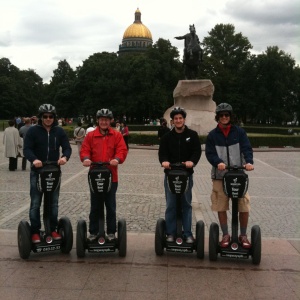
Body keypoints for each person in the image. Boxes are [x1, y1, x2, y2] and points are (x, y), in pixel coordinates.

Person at [205, 103, 254, 249]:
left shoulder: (239, 132)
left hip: (238, 174)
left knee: (244, 204)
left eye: (227, 115)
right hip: (220, 175)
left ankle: (243, 234)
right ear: (218, 117)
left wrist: (249, 162)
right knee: (221, 204)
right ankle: (226, 234)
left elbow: (246, 148)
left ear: (230, 116)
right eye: (221, 115)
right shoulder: (213, 135)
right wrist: (218, 162)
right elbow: (210, 153)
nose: (224, 117)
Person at [23, 104, 72, 243]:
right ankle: (35, 232)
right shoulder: (33, 131)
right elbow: (27, 149)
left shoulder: (59, 131)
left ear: (54, 117)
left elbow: (67, 148)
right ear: (41, 117)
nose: (48, 119)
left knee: (53, 203)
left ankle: (53, 229)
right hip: (38, 172)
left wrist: (64, 157)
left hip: (54, 171)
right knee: (36, 203)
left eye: (51, 116)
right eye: (45, 116)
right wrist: (34, 159)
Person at [80, 108, 128, 241]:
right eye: (102, 119)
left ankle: (111, 232)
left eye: (106, 120)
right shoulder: (91, 136)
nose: (104, 122)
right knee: (95, 205)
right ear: (98, 120)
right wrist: (85, 159)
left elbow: (122, 150)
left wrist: (117, 159)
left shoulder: (116, 135)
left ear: (110, 121)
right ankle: (94, 232)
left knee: (110, 205)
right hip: (95, 175)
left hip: (111, 176)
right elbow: (85, 150)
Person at [158, 107, 201, 243]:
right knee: (171, 204)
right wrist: (164, 161)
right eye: (175, 119)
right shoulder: (167, 137)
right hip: (171, 174)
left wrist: (192, 161)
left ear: (184, 119)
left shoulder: (192, 135)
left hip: (186, 174)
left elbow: (197, 151)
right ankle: (170, 232)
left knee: (186, 204)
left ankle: (187, 233)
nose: (178, 120)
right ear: (172, 121)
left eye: (180, 118)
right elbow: (162, 153)